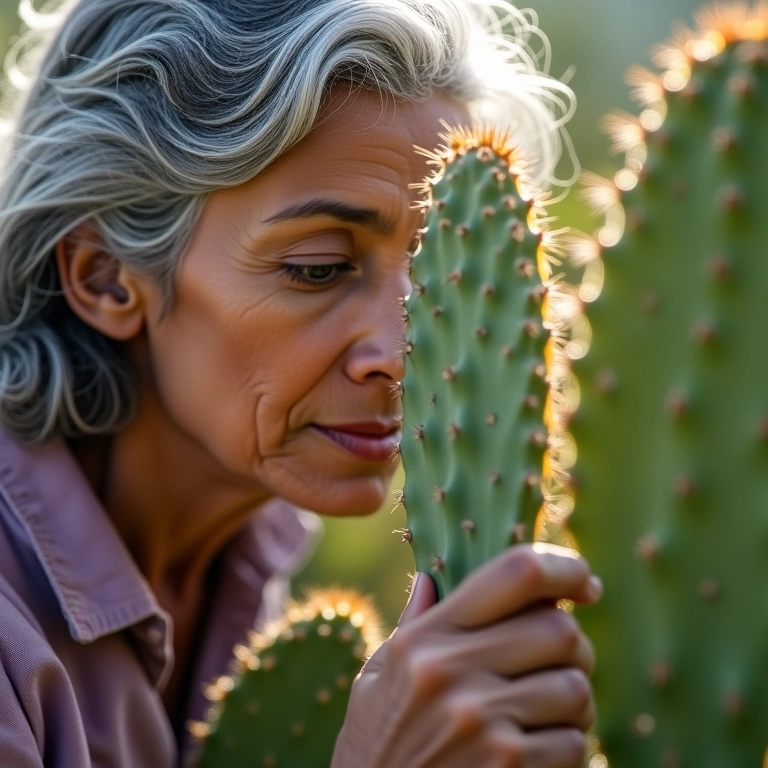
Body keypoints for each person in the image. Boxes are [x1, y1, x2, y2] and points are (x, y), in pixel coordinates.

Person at [0, 0, 601, 765]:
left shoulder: (249, 582)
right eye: (318, 268)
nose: (404, 351)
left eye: (439, 272)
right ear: (107, 277)